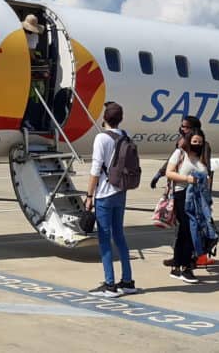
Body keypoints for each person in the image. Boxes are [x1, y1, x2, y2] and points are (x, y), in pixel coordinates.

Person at [85, 102, 137, 297]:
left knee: (104, 239)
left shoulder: (101, 138)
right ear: (120, 119)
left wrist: (89, 196)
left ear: (104, 119)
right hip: (120, 192)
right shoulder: (126, 135)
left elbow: (95, 170)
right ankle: (127, 281)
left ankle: (109, 284)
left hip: (104, 195)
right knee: (120, 236)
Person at [165, 129, 209, 283]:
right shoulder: (180, 154)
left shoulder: (201, 159)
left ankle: (177, 266)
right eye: (195, 141)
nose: (197, 144)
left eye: (200, 142)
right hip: (182, 194)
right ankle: (186, 267)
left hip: (197, 198)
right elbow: (169, 173)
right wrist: (187, 179)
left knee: (186, 232)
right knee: (190, 229)